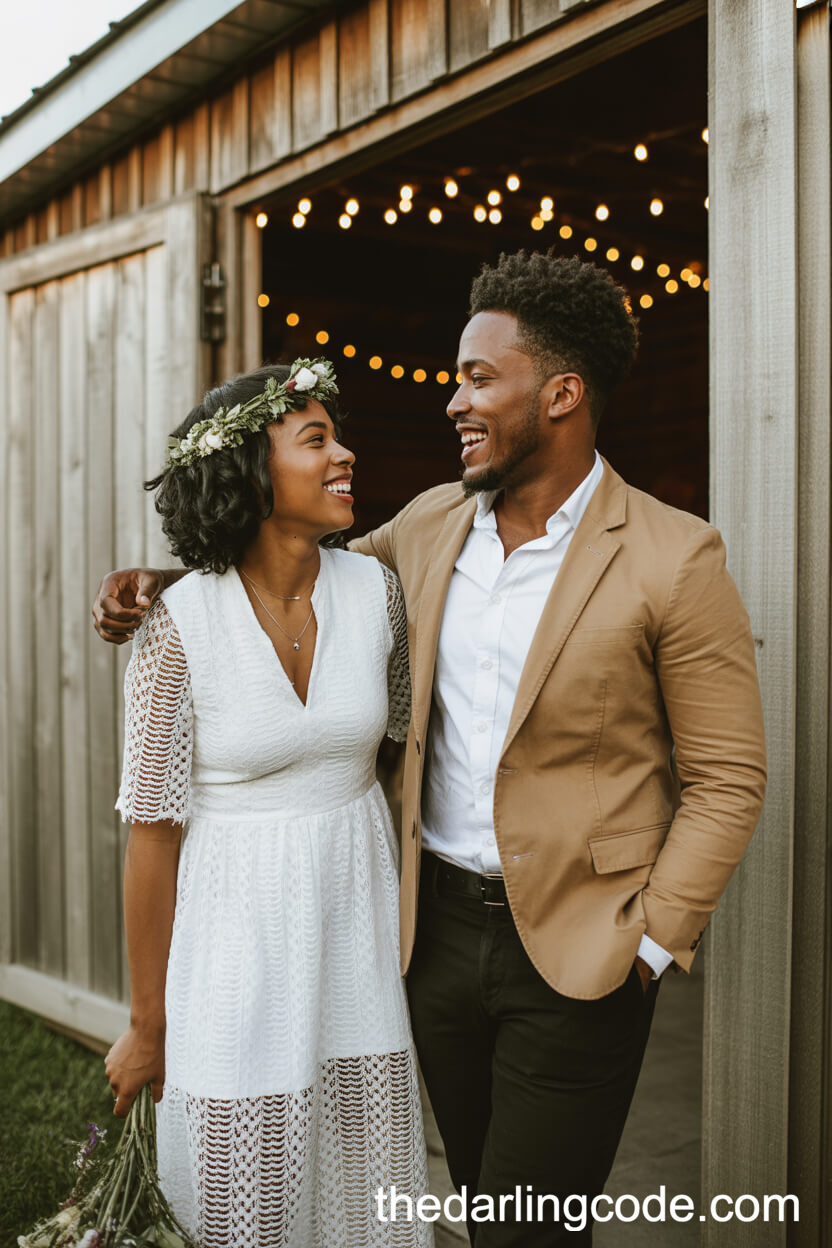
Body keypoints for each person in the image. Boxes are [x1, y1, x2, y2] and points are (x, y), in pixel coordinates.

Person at [94, 252, 767, 1246]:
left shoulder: (675, 554)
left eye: (478, 378)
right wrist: (160, 581)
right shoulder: (426, 528)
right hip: (428, 942)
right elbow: (286, 576)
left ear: (563, 393)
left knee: (525, 1228)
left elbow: (728, 777)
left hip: (579, 958)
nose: (453, 399)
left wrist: (653, 940)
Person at [103, 359, 432, 1248]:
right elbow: (151, 834)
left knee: (361, 1190)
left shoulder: (378, 595)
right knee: (238, 1199)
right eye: (316, 439)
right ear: (251, 470)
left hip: (353, 939)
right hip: (232, 947)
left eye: (338, 435)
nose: (345, 454)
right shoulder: (180, 628)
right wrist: (146, 1024)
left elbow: (404, 743)